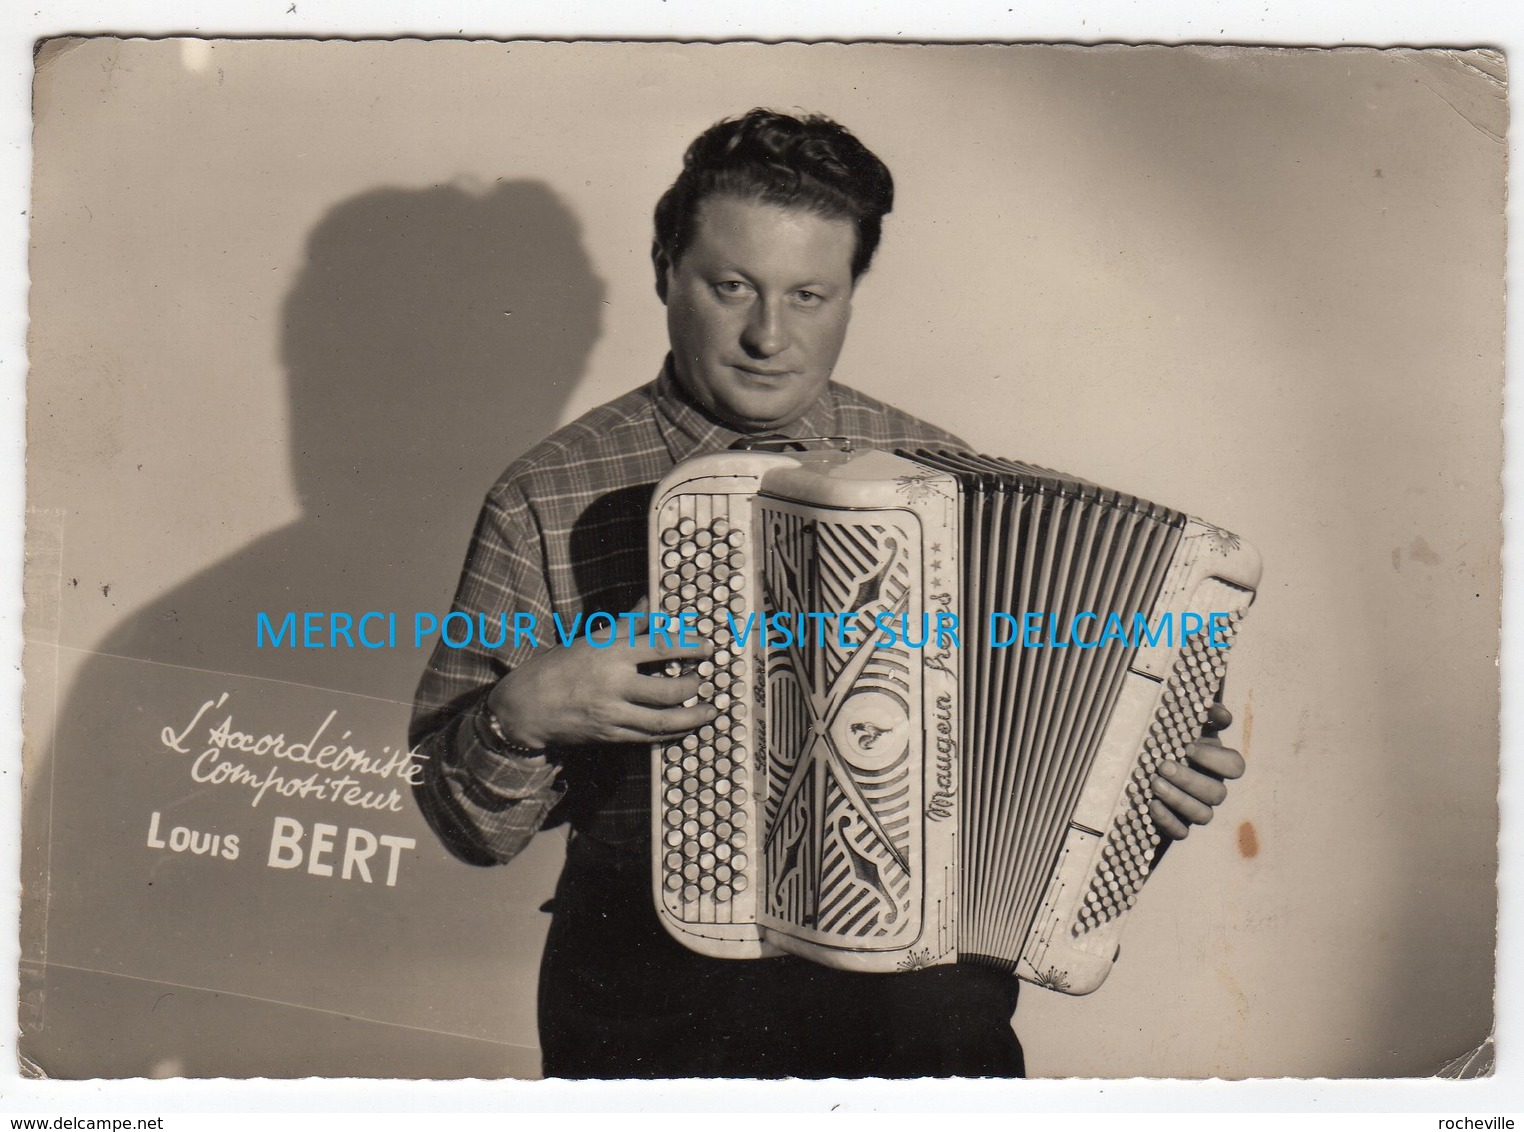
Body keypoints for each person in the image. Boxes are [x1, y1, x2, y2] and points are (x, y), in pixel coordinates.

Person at [410, 108, 1244, 1079]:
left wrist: (1143, 778)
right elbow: (458, 817)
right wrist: (519, 714)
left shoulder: (954, 484)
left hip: (917, 1000)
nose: (769, 334)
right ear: (663, 270)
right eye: (732, 287)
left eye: (810, 293)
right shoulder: (548, 494)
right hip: (652, 995)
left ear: (851, 291)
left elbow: (1029, 759)